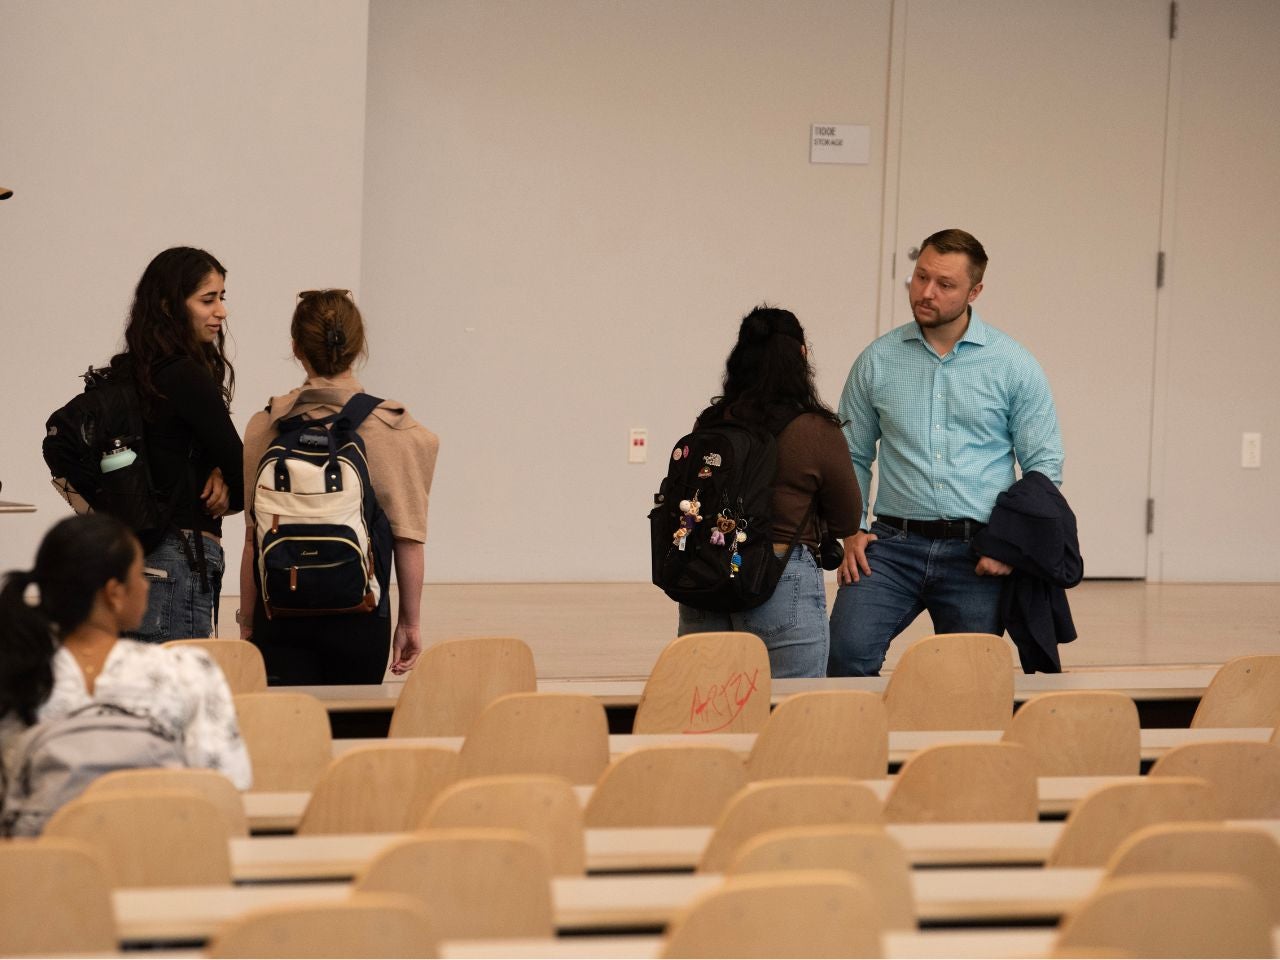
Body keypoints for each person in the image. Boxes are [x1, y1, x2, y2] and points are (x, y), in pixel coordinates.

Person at [828, 228, 1065, 676]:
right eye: (920, 277)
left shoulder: (1011, 364)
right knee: (843, 654)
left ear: (975, 291)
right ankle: (859, 745)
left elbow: (1043, 467)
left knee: (968, 681)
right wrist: (852, 529)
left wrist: (1010, 544)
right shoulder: (877, 360)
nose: (926, 292)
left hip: (977, 554)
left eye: (945, 284)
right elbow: (851, 455)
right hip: (891, 547)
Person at [239, 289, 439, 684]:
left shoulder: (264, 426)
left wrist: (248, 624)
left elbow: (252, 538)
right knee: (351, 736)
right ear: (358, 347)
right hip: (361, 618)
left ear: (297, 348)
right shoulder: (399, 431)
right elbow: (408, 539)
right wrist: (409, 625)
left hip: (278, 612)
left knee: (286, 738)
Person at [0, 514, 252, 820]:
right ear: (114, 594)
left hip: (46, 860)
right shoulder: (186, 671)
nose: (146, 587)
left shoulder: (19, 672)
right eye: (140, 575)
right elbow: (226, 786)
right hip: (166, 854)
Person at [675, 306, 861, 678]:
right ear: (802, 356)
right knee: (792, 717)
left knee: (707, 713)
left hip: (706, 573)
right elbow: (846, 518)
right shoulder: (815, 430)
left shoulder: (709, 423)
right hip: (780, 575)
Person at [109, 246, 244, 642]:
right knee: (175, 699)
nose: (221, 311)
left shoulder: (132, 371)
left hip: (133, 561)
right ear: (170, 306)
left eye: (221, 298)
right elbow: (244, 469)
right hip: (180, 560)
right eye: (207, 300)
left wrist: (218, 470)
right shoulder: (186, 375)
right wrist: (228, 480)